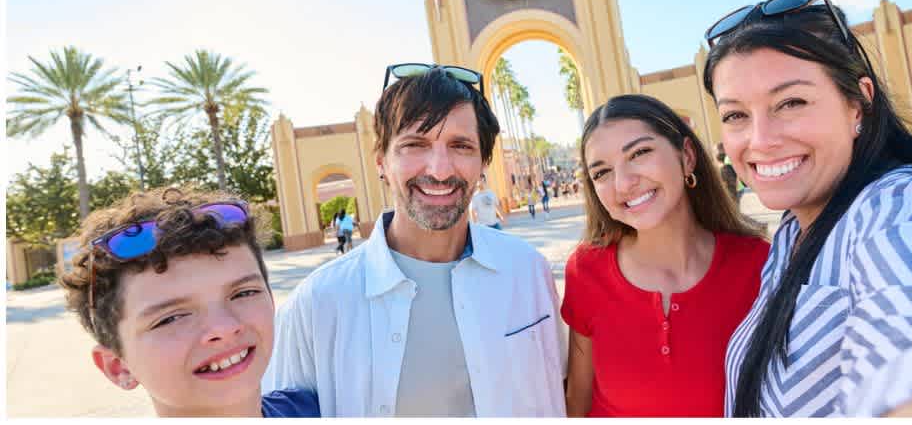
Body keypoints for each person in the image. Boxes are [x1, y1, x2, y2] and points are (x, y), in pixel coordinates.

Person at [702, 0, 912, 417]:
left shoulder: (905, 208)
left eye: (791, 102)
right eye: (735, 115)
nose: (761, 140)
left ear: (858, 104)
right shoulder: (792, 232)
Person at [263, 63, 566, 417]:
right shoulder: (317, 303)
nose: (439, 169)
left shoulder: (526, 270)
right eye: (415, 145)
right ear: (381, 162)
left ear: (483, 162)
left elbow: (559, 385)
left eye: (461, 146)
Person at [562, 94, 769, 417]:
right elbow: (578, 400)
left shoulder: (759, 264)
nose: (623, 183)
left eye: (640, 153)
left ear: (686, 156)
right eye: (601, 172)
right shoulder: (586, 269)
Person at [58, 187, 319, 417]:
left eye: (243, 293)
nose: (224, 327)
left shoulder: (324, 407)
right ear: (118, 366)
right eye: (171, 318)